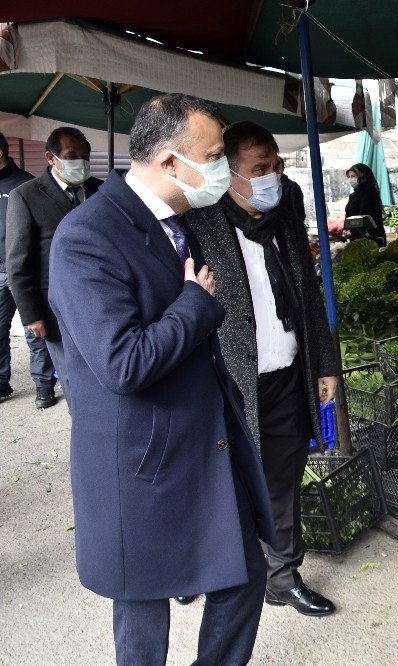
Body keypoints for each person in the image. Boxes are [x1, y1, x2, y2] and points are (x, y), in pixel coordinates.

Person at [47, 93, 276, 665]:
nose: (222, 165)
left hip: (202, 437)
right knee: (144, 612)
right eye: (215, 154)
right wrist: (196, 305)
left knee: (245, 574)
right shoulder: (87, 237)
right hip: (141, 457)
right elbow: (122, 364)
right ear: (171, 161)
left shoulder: (179, 218)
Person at [187, 121, 339, 617]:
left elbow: (310, 293)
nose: (273, 176)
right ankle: (203, 566)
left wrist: (325, 363)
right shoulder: (200, 223)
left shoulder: (285, 209)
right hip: (228, 384)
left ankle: (281, 575)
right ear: (230, 175)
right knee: (216, 480)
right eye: (260, 169)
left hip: (286, 376)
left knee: (281, 480)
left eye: (276, 165)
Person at [5, 127, 102, 406]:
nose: (80, 162)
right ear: (50, 158)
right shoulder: (26, 196)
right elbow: (18, 262)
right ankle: (82, 424)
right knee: (72, 374)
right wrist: (31, 315)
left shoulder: (101, 189)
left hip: (101, 296)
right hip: (54, 305)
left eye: (85, 156)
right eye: (72, 156)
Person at [0, 131, 57, 404]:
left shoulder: (25, 186)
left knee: (34, 328)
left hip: (25, 269)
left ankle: (44, 385)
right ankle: (1, 382)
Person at [344, 162, 386, 246]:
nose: (350, 179)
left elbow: (365, 216)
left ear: (362, 176)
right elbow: (349, 216)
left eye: (353, 176)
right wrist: (345, 229)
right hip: (356, 239)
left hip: (371, 239)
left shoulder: (370, 193)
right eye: (349, 177)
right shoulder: (353, 196)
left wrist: (351, 231)